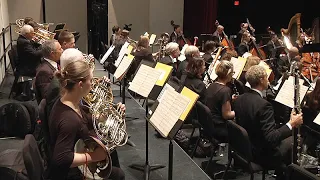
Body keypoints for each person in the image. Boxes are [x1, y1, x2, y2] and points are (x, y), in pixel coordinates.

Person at [48, 60, 125, 180]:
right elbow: (61, 159)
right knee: (118, 175)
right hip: (71, 174)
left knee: (113, 159)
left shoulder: (69, 102)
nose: (93, 83)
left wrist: (114, 113)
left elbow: (88, 119)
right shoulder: (69, 120)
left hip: (80, 152)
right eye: (91, 80)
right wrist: (94, 156)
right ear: (80, 84)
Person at [234, 65, 303, 178]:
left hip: (245, 147)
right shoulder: (264, 105)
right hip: (261, 154)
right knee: (294, 140)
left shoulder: (240, 99)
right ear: (261, 80)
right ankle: (285, 173)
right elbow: (271, 139)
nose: (268, 80)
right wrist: (291, 124)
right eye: (267, 77)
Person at [206, 60, 236, 141]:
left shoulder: (211, 85)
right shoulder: (225, 90)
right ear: (228, 74)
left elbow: (216, 100)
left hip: (209, 123)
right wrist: (240, 111)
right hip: (219, 126)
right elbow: (227, 115)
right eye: (232, 73)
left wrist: (229, 99)